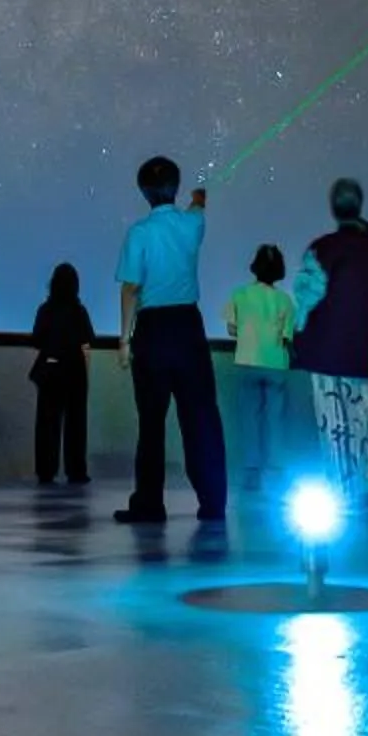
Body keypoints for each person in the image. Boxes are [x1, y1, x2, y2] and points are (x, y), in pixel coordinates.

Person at [114, 155, 227, 524]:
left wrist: (125, 340)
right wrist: (198, 197)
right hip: (188, 327)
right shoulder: (193, 224)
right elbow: (198, 207)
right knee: (201, 417)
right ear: (175, 188)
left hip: (152, 330)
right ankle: (212, 501)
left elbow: (131, 288)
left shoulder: (139, 233)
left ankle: (149, 504)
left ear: (143, 191)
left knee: (151, 422)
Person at [293, 179, 368, 511]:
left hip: (326, 356)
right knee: (364, 423)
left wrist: (299, 335)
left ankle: (343, 494)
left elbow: (306, 299)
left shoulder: (321, 249)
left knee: (334, 428)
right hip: (364, 355)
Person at [225, 245, 298, 491]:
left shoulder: (239, 294)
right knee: (275, 420)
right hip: (276, 364)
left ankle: (252, 472)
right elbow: (287, 336)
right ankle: (276, 470)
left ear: (255, 267)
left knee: (250, 419)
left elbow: (231, 329)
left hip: (247, 362)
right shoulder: (285, 300)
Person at [29, 265, 96, 485]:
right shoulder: (79, 311)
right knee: (76, 423)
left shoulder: (45, 310)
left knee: (47, 422)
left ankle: (45, 470)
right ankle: (76, 470)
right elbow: (89, 338)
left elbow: (37, 339)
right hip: (74, 370)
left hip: (50, 369)